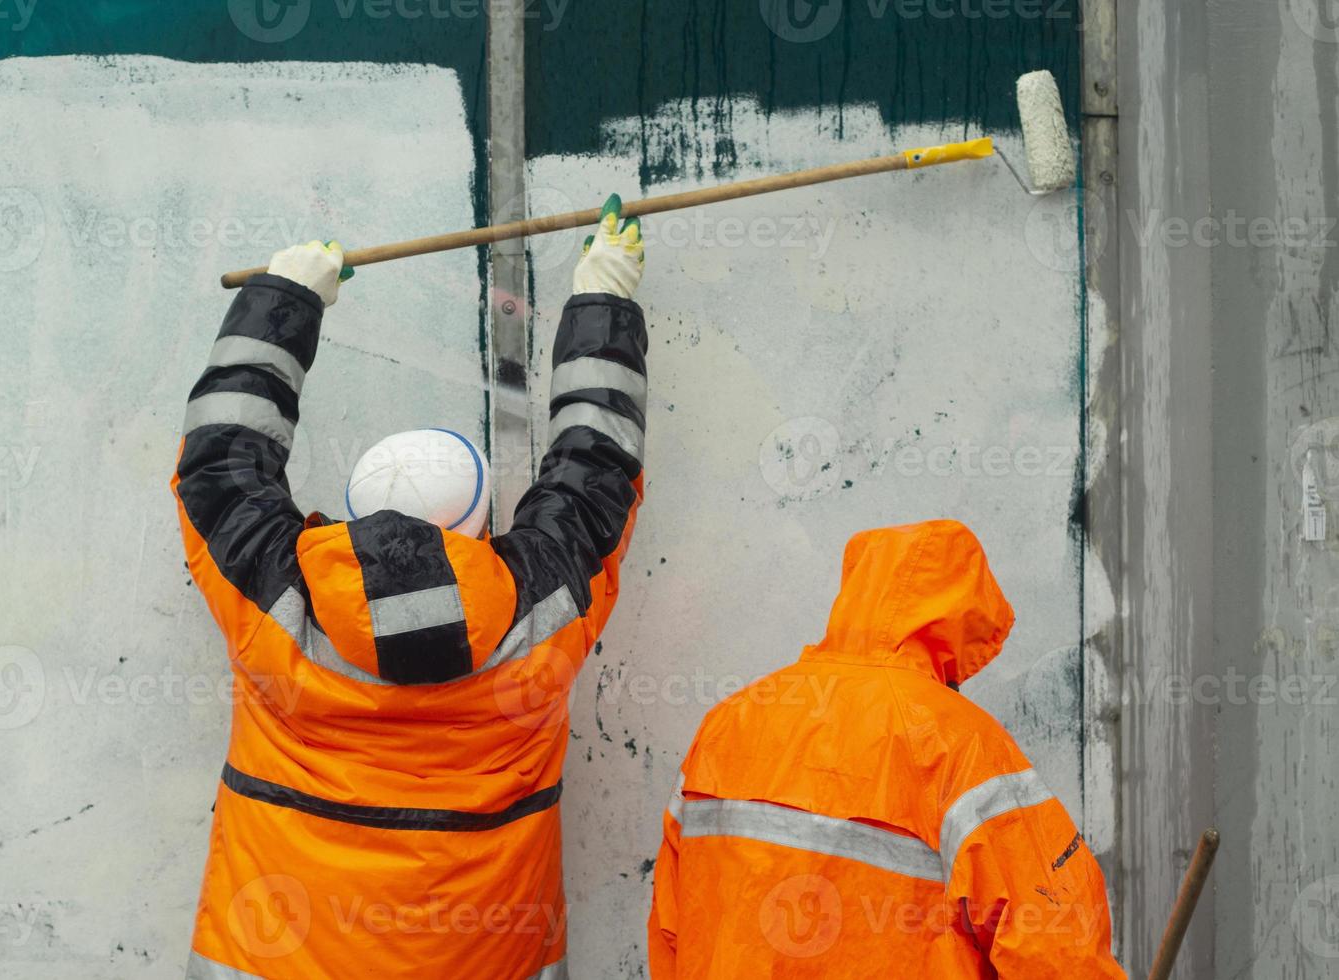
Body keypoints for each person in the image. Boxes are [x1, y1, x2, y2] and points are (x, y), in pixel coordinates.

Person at [172, 196, 647, 979]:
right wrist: (606, 295)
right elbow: (597, 472)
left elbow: (221, 459)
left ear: (352, 517)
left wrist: (284, 300)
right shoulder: (540, 615)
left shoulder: (276, 599)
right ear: (483, 523)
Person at [647, 519, 1126, 978]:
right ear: (960, 620)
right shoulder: (960, 744)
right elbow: (1055, 942)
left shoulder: (730, 722)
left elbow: (672, 921)